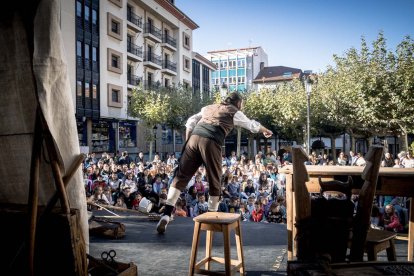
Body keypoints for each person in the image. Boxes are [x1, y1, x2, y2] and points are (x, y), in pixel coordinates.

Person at [156, 92, 273, 233]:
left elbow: (191, 121)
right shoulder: (234, 111)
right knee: (215, 178)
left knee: (181, 177)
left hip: (193, 139)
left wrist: (188, 142)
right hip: (210, 141)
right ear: (238, 103)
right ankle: (211, 216)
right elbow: (251, 125)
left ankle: (166, 214)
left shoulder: (208, 107)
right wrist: (265, 130)